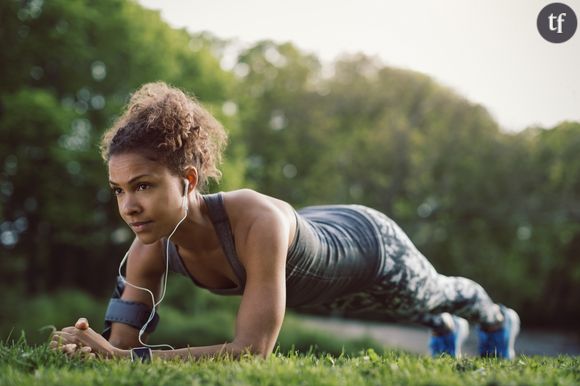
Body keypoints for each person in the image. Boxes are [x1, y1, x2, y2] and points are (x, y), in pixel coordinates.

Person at [50, 82, 520, 361]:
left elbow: (252, 350)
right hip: (321, 269)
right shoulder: (146, 248)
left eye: (144, 185)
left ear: (189, 180)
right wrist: (87, 343)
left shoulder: (255, 221)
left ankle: (497, 321)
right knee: (394, 310)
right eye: (119, 190)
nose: (128, 205)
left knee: (432, 293)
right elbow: (121, 346)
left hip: (369, 245)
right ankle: (444, 330)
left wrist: (127, 360)